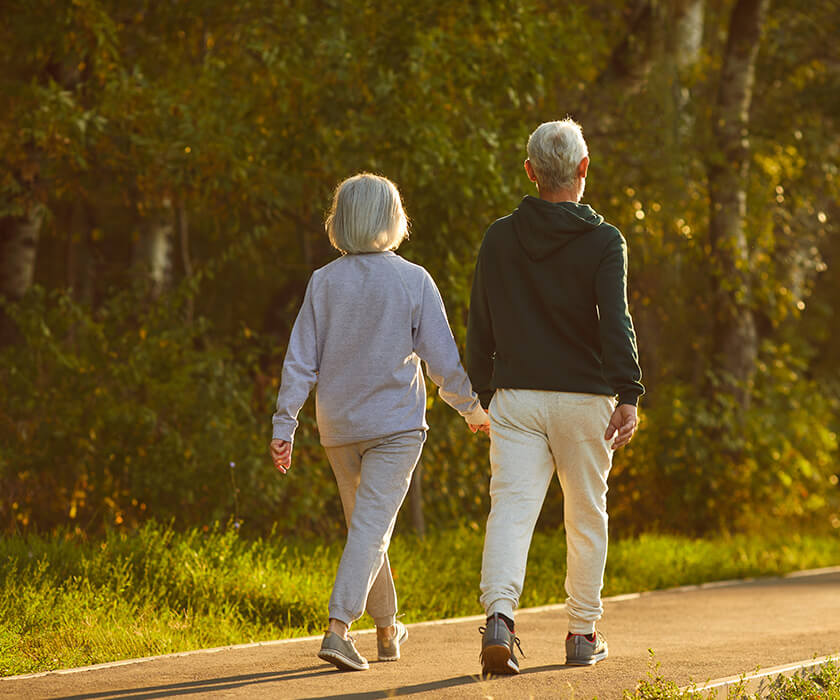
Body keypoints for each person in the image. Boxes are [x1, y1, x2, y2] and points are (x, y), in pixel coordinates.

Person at [270, 173, 489, 672]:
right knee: (370, 529)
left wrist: (285, 425)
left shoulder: (324, 281)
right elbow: (444, 362)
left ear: (341, 221)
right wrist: (473, 410)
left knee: (368, 528)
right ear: (393, 219)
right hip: (395, 428)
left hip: (339, 428)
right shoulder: (414, 279)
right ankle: (338, 628)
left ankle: (388, 630)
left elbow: (300, 360)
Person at [466, 119, 644, 674]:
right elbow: (615, 322)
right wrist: (629, 391)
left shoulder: (499, 236)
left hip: (516, 398)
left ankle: (499, 619)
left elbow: (480, 322)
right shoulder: (603, 240)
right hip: (584, 399)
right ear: (583, 169)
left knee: (511, 512)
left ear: (530, 171)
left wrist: (481, 394)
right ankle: (582, 635)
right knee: (586, 516)